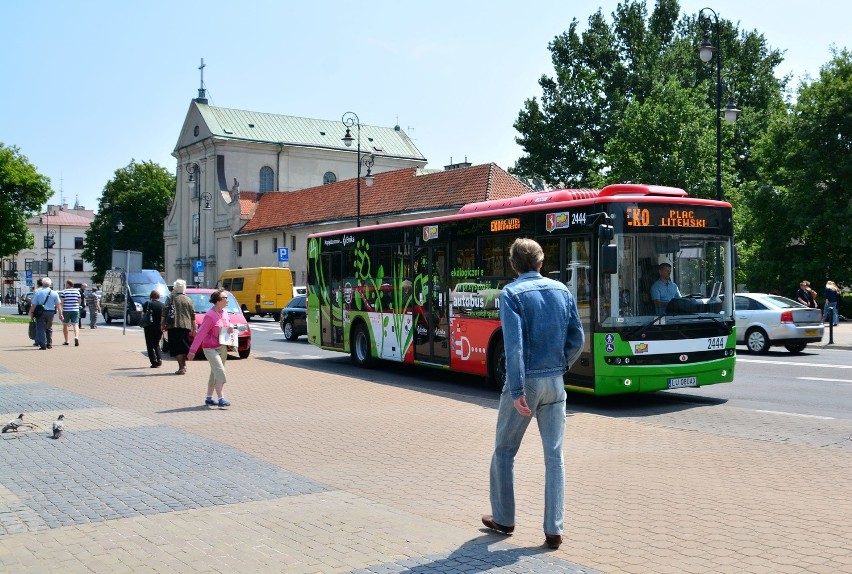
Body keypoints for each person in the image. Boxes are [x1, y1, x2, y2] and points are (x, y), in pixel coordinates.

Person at [481, 238, 584, 551]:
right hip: (555, 382)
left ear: (513, 265)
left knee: (504, 450)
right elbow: (577, 339)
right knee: (555, 456)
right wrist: (560, 366)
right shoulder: (563, 291)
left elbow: (513, 347)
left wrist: (517, 390)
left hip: (526, 384)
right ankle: (554, 530)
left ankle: (504, 519)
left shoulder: (511, 293)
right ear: (541, 262)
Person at [187, 289, 234, 408]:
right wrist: (192, 350)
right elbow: (201, 334)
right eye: (225, 297)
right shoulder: (210, 315)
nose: (227, 299)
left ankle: (208, 398)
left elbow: (228, 324)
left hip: (222, 347)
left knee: (214, 372)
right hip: (210, 348)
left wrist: (231, 327)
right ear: (218, 301)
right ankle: (221, 398)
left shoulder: (225, 312)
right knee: (220, 371)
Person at [163, 279, 195, 375]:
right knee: (183, 346)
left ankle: (181, 367)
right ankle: (183, 366)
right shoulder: (188, 299)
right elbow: (193, 314)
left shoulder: (170, 298)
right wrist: (195, 328)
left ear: (175, 288)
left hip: (173, 325)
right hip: (185, 326)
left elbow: (164, 312)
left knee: (176, 348)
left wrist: (162, 324)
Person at [29, 277, 63, 350]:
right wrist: (60, 314)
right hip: (51, 312)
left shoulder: (38, 292)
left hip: (41, 312)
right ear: (50, 284)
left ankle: (43, 345)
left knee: (41, 328)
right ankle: (49, 344)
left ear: (43, 284)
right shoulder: (54, 293)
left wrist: (32, 313)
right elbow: (58, 304)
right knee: (49, 328)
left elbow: (33, 305)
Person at [142, 290, 165, 368]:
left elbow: (143, 314)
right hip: (159, 327)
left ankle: (154, 362)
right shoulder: (163, 305)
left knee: (149, 345)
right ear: (159, 297)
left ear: (151, 296)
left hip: (148, 327)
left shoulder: (147, 304)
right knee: (156, 344)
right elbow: (163, 317)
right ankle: (160, 358)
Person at [59, 279, 81, 346]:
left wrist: (60, 311)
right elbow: (79, 301)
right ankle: (76, 337)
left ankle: (66, 341)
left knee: (65, 325)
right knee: (75, 324)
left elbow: (62, 302)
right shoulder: (77, 291)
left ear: (68, 284)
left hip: (66, 310)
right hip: (75, 310)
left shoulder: (64, 292)